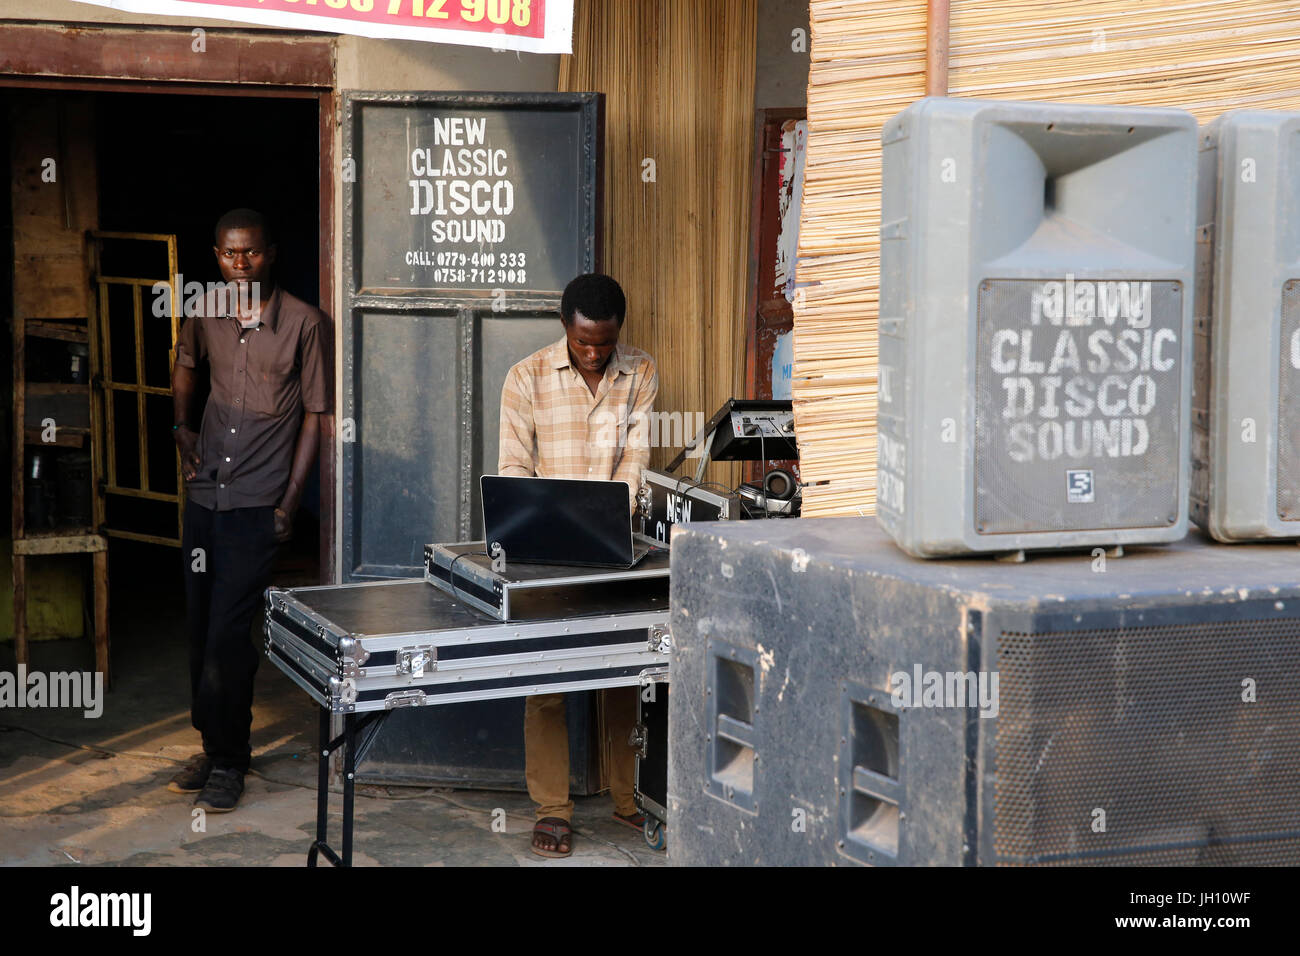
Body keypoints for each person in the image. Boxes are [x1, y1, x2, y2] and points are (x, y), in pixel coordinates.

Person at [169, 208, 329, 812]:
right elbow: (186, 370)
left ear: (271, 253)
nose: (242, 264)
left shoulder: (306, 324)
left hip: (257, 502)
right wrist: (182, 426)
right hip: (206, 494)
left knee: (230, 633)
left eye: (253, 253)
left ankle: (231, 759)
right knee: (199, 624)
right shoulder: (204, 312)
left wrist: (290, 502)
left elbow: (316, 414)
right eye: (231, 254)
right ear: (217, 256)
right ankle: (214, 742)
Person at [497, 273, 658, 857]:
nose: (594, 352)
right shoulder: (526, 376)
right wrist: (550, 519)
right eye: (584, 341)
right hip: (544, 552)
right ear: (565, 326)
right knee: (544, 678)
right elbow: (513, 469)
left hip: (616, 544)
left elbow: (635, 464)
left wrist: (608, 518)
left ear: (618, 332)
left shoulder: (639, 371)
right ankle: (552, 808)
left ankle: (628, 798)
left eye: (605, 342)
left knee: (624, 674)